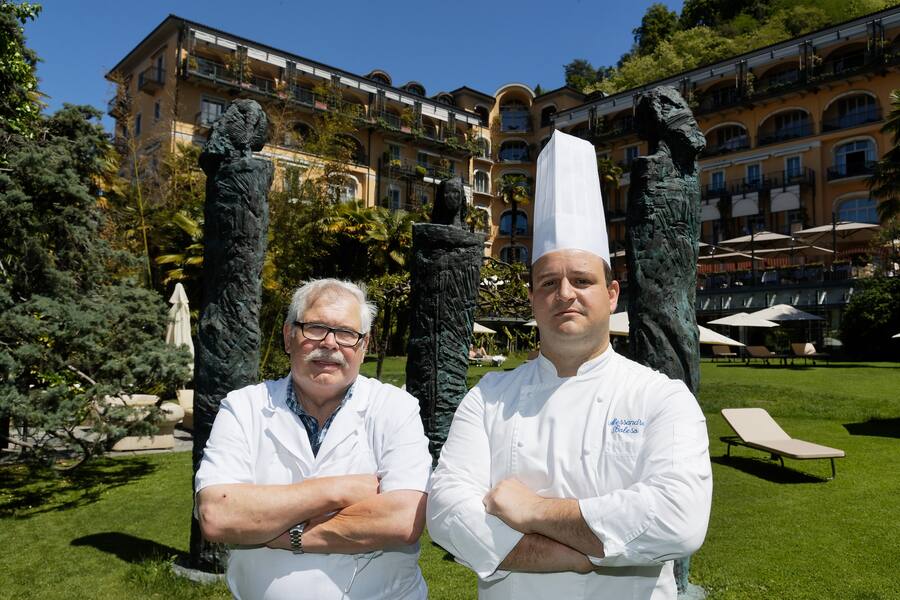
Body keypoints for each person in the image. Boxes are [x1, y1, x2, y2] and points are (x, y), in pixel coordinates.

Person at [426, 130, 712, 600]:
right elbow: (447, 512)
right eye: (548, 282)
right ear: (532, 299)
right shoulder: (488, 398)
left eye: (582, 279)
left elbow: (677, 519)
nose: (565, 294)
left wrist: (530, 510)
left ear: (611, 294)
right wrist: (573, 555)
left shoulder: (661, 396)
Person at [196, 279, 432, 599]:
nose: (331, 343)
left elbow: (402, 521)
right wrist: (338, 490)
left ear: (363, 346)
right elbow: (217, 515)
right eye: (315, 327)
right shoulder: (243, 407)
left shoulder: (396, 408)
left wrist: (280, 533)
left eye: (347, 333)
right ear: (288, 337)